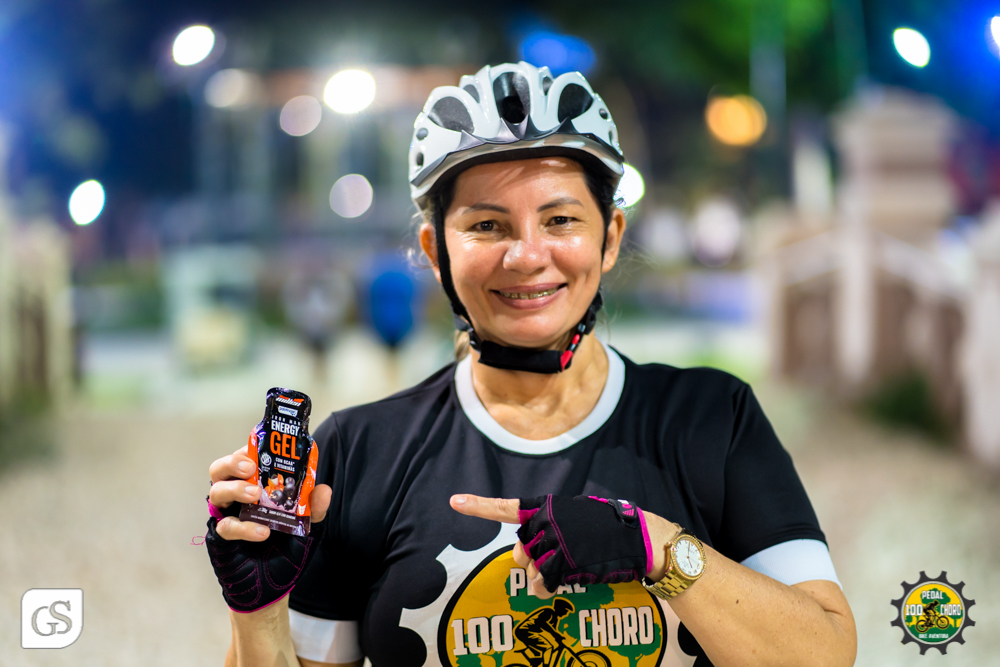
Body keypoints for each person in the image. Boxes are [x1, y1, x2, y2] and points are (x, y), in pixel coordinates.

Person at [205, 62, 857, 667]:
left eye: (560, 219)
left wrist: (658, 549)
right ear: (436, 250)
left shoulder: (710, 419)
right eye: (488, 226)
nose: (526, 254)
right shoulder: (359, 451)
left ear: (610, 237)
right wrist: (258, 612)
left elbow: (826, 649)